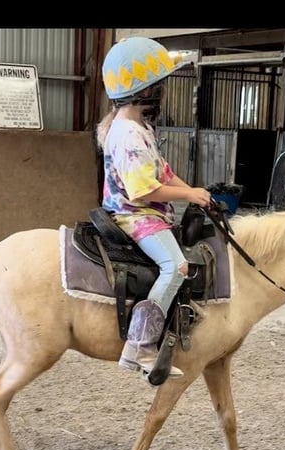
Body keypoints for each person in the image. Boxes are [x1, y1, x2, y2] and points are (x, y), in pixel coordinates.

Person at [96, 37, 212, 379]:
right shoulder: (127, 135)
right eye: (157, 86)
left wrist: (192, 189)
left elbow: (163, 172)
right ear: (142, 91)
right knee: (175, 266)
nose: (162, 92)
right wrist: (189, 197)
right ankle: (140, 346)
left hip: (147, 212)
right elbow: (142, 189)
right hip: (135, 215)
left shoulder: (140, 127)